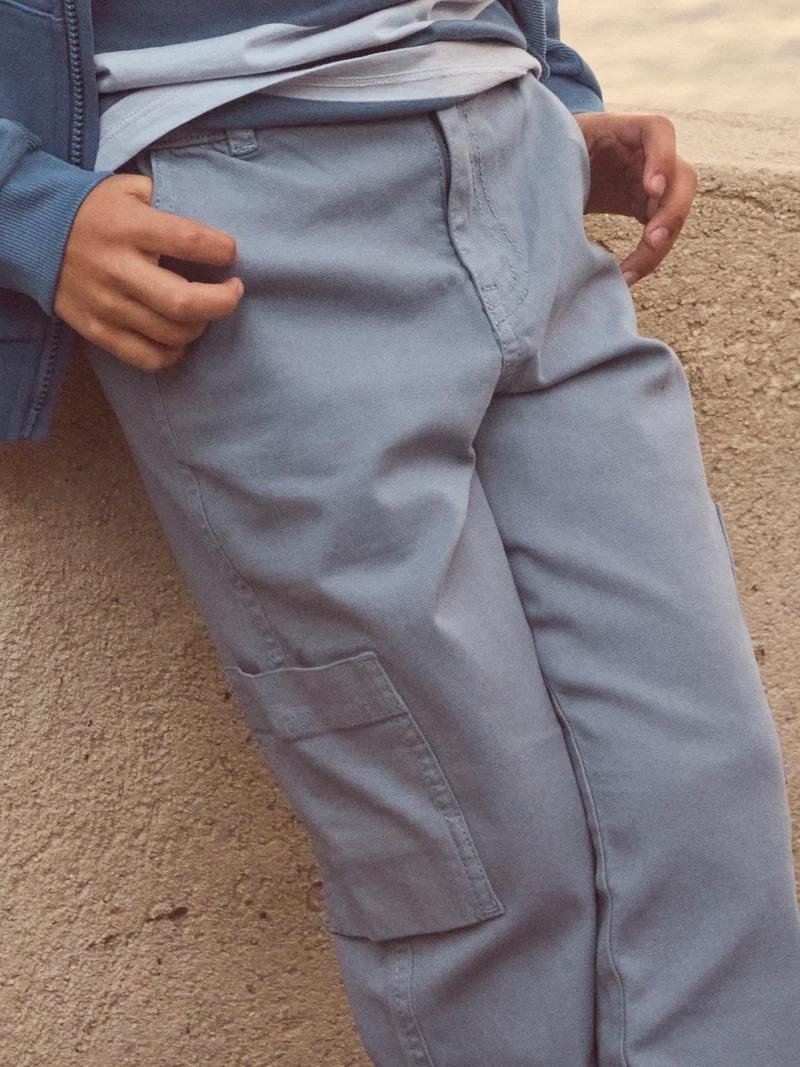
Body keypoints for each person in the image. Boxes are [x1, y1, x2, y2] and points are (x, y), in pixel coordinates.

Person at [1, 2, 799, 1063]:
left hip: (514, 162)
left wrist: (549, 85)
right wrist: (27, 208)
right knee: (475, 857)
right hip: (241, 226)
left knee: (705, 801)